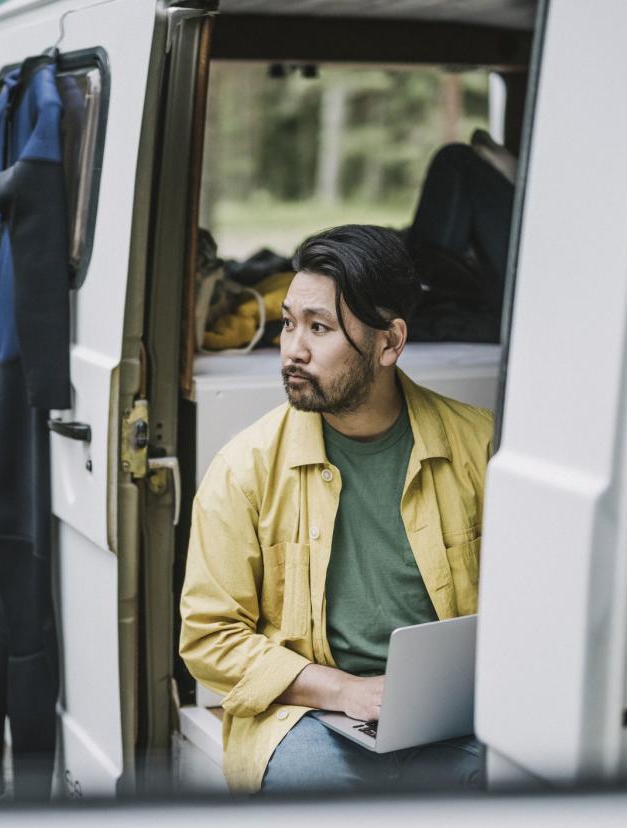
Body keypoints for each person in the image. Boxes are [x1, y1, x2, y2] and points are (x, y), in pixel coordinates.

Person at [178, 225, 494, 794]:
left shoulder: (481, 447)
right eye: (289, 323)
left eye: (319, 328)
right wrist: (343, 691)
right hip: (306, 716)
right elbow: (208, 637)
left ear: (389, 343)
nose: (293, 348)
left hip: (451, 719)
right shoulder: (243, 467)